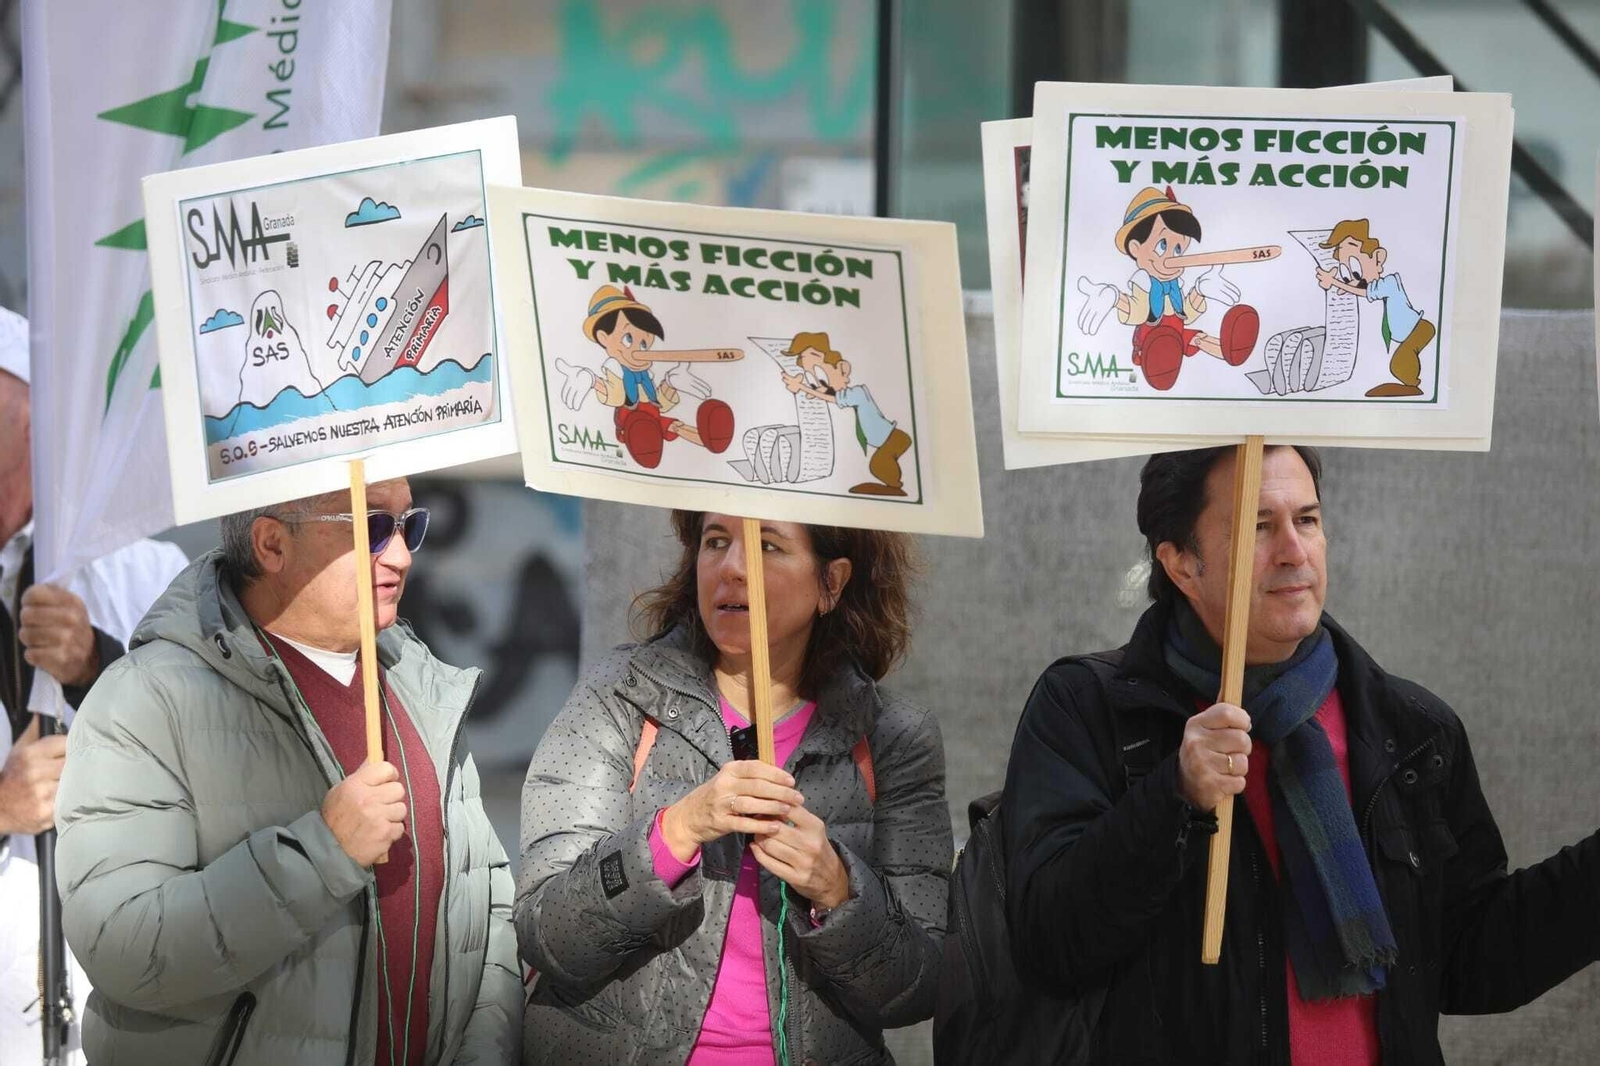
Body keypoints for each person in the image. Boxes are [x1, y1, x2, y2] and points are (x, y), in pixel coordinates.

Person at [1001, 445, 1600, 1063]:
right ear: (1181, 562)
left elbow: (1471, 960)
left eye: (1307, 520)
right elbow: (1050, 947)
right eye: (1259, 527)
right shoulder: (1089, 709)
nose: (1293, 550)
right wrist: (1174, 794)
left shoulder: (1409, 728)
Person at [53, 477, 520, 1064]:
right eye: (372, 526)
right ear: (272, 545)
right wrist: (322, 852)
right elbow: (123, 946)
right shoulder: (148, 698)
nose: (400, 555)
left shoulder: (420, 687)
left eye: (409, 525)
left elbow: (490, 910)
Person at [517, 511, 950, 1064]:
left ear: (831, 582)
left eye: (768, 546)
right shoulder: (620, 699)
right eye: (715, 541)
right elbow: (547, 935)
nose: (732, 568)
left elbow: (917, 987)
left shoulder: (890, 738)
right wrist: (675, 832)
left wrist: (840, 890)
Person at [0, 306, 186, 1064]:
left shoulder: (147, 574)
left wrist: (94, 669)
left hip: (122, 1009)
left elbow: (222, 756)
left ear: (38, 421)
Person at [1316, 218, 1436, 397]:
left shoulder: (1390, 283)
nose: (1354, 275)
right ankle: (1410, 384)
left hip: (1419, 329)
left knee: (1400, 363)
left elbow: (1364, 292)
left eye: (1356, 267)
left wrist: (1334, 282)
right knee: (1400, 362)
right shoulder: (1376, 285)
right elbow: (1360, 288)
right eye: (1349, 270)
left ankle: (1413, 385)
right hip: (1410, 332)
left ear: (1378, 258)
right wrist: (1339, 284)